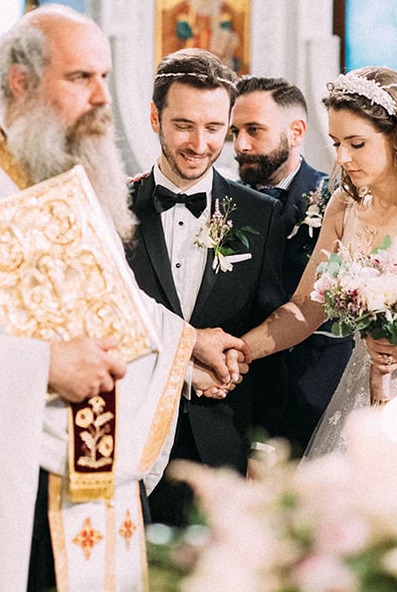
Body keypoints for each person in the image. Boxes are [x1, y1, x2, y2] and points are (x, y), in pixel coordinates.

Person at [0, 5, 246, 592]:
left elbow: (114, 304)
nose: (101, 98)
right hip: (17, 495)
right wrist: (45, 366)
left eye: (105, 78)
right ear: (21, 82)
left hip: (91, 479)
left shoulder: (56, 180)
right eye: (80, 78)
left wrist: (188, 347)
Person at [239, 66, 397, 458]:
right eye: (336, 142)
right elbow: (307, 307)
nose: (341, 156)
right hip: (359, 394)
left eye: (356, 143)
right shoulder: (344, 205)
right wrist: (241, 351)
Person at [126, 48, 285, 525]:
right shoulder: (112, 207)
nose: (199, 143)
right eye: (183, 125)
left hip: (221, 446)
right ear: (155, 117)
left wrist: (263, 448)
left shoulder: (261, 214)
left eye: (214, 128)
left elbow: (269, 336)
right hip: (128, 443)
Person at [231, 75, 353, 455]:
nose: (239, 145)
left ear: (296, 131)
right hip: (238, 396)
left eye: (254, 130)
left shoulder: (337, 201)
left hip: (316, 394)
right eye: (234, 131)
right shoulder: (224, 207)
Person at [161, 0, 243, 71]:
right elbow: (178, 29)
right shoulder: (188, 4)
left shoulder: (222, 5)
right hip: (193, 52)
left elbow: (230, 29)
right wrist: (189, 31)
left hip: (216, 55)